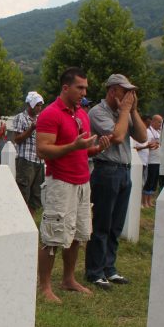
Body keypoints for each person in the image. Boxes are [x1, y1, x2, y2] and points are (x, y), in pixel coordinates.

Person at [35, 67, 109, 303]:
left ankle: (68, 279)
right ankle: (44, 286)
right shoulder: (50, 114)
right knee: (52, 235)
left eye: (85, 88)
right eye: (80, 87)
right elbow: (43, 150)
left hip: (82, 181)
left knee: (77, 233)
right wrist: (72, 147)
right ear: (66, 87)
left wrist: (97, 149)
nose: (84, 92)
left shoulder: (81, 114)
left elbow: (83, 148)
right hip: (60, 182)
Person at [85, 74, 147, 290]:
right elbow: (118, 136)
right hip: (106, 170)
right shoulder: (98, 112)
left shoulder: (125, 112)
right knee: (102, 223)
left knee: (116, 225)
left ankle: (109, 268)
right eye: (125, 91)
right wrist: (125, 112)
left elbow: (142, 137)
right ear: (112, 91)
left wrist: (134, 111)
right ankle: (95, 271)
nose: (130, 95)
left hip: (123, 171)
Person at [13, 91, 45, 216]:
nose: (39, 108)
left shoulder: (41, 118)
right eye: (37, 105)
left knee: (36, 195)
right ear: (30, 105)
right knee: (23, 191)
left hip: (39, 160)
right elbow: (17, 139)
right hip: (26, 160)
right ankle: (19, 218)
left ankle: (31, 220)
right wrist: (31, 129)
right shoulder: (20, 118)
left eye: (40, 105)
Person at [142, 114, 162, 207]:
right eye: (159, 122)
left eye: (161, 122)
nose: (160, 124)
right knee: (148, 181)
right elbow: (147, 144)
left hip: (158, 160)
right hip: (151, 160)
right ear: (153, 121)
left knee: (154, 183)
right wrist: (155, 144)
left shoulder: (158, 132)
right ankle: (144, 201)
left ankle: (149, 201)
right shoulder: (148, 131)